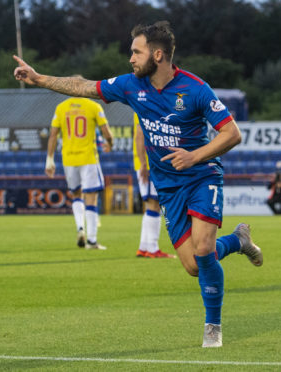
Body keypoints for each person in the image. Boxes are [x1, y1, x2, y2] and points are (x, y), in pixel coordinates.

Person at [13, 20, 263, 348]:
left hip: (202, 175)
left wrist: (195, 156)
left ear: (157, 55)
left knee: (203, 248)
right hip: (168, 185)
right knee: (193, 267)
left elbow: (232, 133)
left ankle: (212, 327)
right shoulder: (131, 86)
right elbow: (84, 86)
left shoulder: (196, 89)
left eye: (136, 51)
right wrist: (40, 78)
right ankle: (237, 240)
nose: (130, 58)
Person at [45, 97, 113, 250]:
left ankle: (80, 227)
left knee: (76, 195)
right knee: (91, 198)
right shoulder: (93, 106)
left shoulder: (61, 107)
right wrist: (110, 143)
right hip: (88, 158)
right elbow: (106, 132)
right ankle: (92, 241)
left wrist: (49, 160)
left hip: (69, 159)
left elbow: (53, 135)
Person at [133, 113, 175, 259]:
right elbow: (139, 134)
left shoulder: (141, 103)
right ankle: (153, 248)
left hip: (149, 162)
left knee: (151, 204)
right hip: (150, 163)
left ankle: (144, 247)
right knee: (154, 204)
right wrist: (143, 163)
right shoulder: (144, 105)